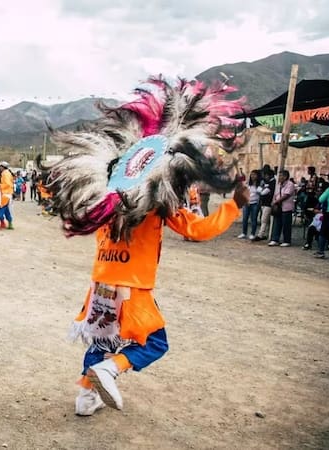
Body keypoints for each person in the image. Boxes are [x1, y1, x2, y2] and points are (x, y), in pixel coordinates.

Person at [40, 76, 246, 416]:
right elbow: (198, 229)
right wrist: (234, 204)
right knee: (154, 342)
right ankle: (110, 369)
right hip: (133, 286)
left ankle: (86, 396)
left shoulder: (107, 197)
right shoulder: (157, 202)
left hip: (101, 283)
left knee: (101, 337)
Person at [268, 169, 296, 247]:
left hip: (286, 207)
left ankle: (287, 240)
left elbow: (286, 195)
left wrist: (277, 201)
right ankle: (275, 239)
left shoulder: (290, 184)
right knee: (277, 223)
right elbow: (275, 194)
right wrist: (273, 202)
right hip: (278, 207)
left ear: (285, 176)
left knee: (286, 224)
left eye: (280, 176)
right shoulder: (278, 185)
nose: (279, 177)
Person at [239, 169, 261, 239]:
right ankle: (244, 232)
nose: (252, 176)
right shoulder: (248, 183)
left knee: (253, 219)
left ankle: (252, 233)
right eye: (251, 175)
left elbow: (260, 193)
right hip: (247, 203)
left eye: (254, 175)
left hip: (255, 203)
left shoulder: (259, 184)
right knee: (245, 218)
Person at [0, 162, 14, 230]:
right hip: (8, 194)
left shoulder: (4, 173)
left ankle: (2, 223)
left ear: (2, 167)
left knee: (0, 209)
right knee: (6, 210)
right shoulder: (8, 173)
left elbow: (7, 184)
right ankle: (10, 224)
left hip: (5, 194)